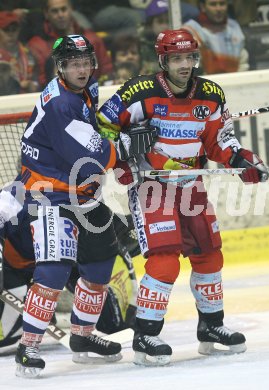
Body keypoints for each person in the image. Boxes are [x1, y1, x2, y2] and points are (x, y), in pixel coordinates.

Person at [97, 29, 269, 365]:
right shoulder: (138, 92)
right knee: (164, 260)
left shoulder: (210, 94)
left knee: (209, 253)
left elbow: (218, 141)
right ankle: (146, 335)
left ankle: (211, 327)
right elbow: (101, 126)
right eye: (176, 58)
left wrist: (241, 159)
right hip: (152, 185)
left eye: (189, 57)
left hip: (191, 184)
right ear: (163, 60)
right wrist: (125, 154)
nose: (184, 64)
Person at [12, 33, 154, 378]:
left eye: (85, 62)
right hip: (50, 196)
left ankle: (83, 336)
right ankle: (27, 346)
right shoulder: (62, 102)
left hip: (83, 195)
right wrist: (125, 148)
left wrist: (119, 152)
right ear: (61, 67)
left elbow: (95, 134)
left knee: (100, 264)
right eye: (73, 64)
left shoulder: (85, 90)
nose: (81, 69)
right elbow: (91, 153)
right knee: (53, 270)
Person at [0, 206, 139, 349]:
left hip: (80, 255)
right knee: (5, 332)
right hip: (23, 268)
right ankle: (42, 309)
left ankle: (118, 252)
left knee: (116, 322)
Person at [27, 0, 113, 88]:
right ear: (46, 14)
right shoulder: (37, 45)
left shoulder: (92, 39)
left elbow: (107, 72)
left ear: (71, 10)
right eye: (55, 11)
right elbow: (40, 84)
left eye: (64, 9)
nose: (60, 15)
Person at [183, 0, 249, 74]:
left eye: (222, 4)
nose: (218, 9)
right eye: (213, 4)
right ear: (203, 7)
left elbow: (243, 62)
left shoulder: (234, 26)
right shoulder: (190, 30)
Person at [0, 11, 39, 93]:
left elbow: (37, 81)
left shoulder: (29, 54)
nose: (11, 34)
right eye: (6, 30)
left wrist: (33, 85)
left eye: (14, 30)